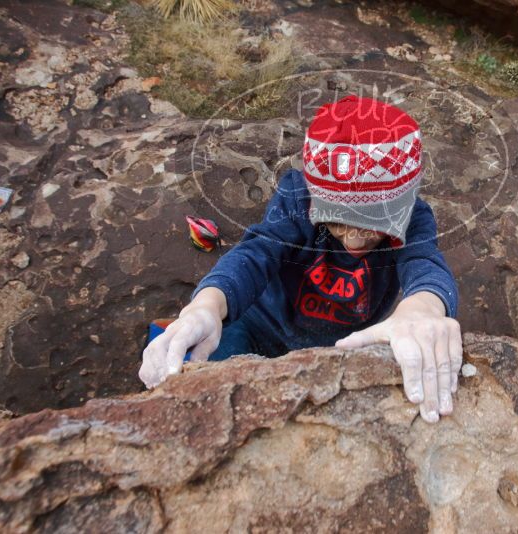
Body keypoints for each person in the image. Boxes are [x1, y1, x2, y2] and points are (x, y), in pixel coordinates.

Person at [139, 94, 462, 423]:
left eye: (373, 224)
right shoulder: (298, 200)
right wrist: (206, 306)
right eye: (336, 221)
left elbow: (425, 264)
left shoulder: (413, 218)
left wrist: (422, 308)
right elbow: (257, 252)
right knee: (192, 379)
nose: (354, 239)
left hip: (342, 345)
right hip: (259, 325)